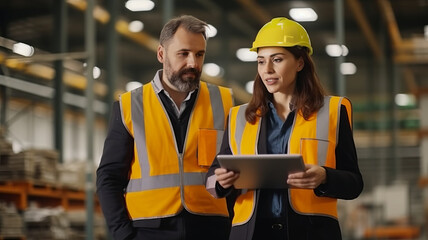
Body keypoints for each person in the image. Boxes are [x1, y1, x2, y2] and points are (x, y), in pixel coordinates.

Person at [205, 17, 364, 240]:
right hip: (251, 233)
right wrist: (220, 182)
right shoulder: (239, 116)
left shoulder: (333, 111)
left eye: (277, 59)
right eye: (261, 61)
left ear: (300, 63)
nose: (267, 69)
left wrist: (325, 177)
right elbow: (211, 179)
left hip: (311, 232)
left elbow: (354, 184)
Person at [96, 15, 234, 240]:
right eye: (184, 54)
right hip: (148, 229)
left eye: (200, 54)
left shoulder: (224, 101)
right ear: (161, 54)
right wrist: (124, 235)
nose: (193, 63)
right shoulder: (130, 106)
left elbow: (236, 171)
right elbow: (109, 177)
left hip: (211, 228)